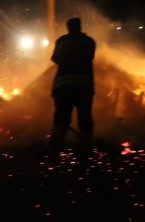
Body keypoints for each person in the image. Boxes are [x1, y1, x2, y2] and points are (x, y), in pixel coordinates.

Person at [47, 17, 96, 161]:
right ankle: (85, 149)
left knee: (61, 118)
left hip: (63, 86)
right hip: (84, 86)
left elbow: (55, 58)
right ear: (80, 27)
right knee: (85, 117)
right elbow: (90, 57)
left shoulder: (62, 41)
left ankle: (54, 151)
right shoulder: (89, 42)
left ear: (68, 27)